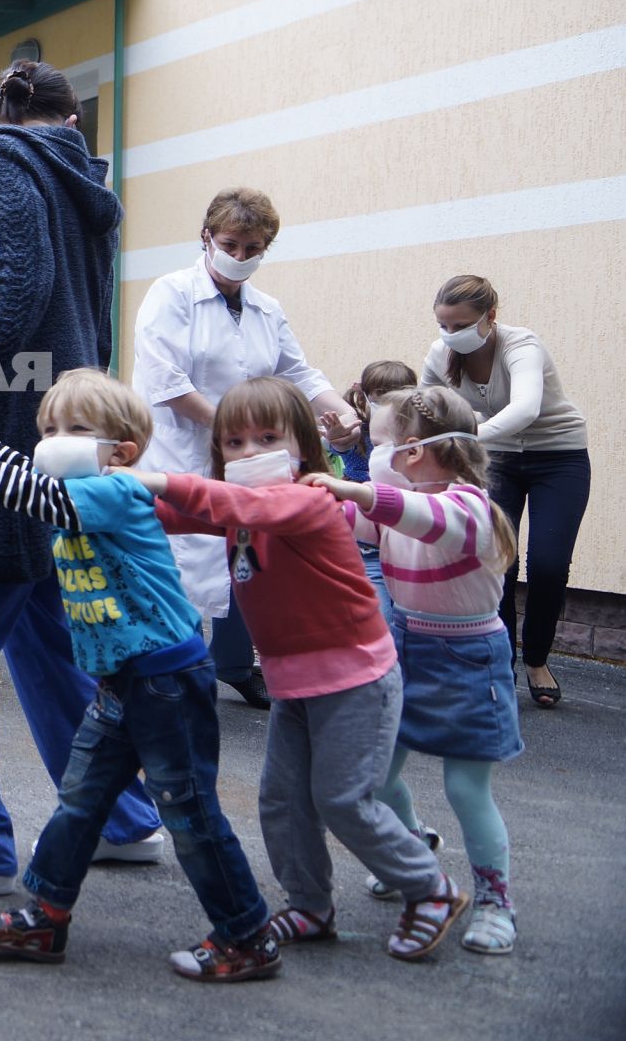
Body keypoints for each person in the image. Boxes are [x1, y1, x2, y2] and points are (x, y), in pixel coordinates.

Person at [0, 370, 276, 983]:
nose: (53, 440)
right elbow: (19, 470)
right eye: (48, 428)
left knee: (190, 811)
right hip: (123, 682)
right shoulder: (76, 481)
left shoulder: (113, 491)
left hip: (166, 681)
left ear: (121, 451)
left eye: (74, 429)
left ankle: (247, 933)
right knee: (81, 798)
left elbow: (25, 493)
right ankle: (46, 915)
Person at [121, 377, 468, 964]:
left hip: (356, 679)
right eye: (233, 443)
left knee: (343, 799)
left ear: (302, 446)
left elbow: (238, 502)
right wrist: (101, 494)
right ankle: (310, 905)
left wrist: (154, 478)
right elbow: (172, 513)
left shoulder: (309, 500)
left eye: (267, 438)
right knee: (282, 801)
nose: (250, 452)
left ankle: (429, 888)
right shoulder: (240, 510)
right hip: (294, 684)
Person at [0, 59, 162, 896]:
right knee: (52, 633)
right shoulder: (83, 180)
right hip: (67, 431)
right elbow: (85, 310)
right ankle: (122, 821)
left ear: (2, 114)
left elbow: (20, 275)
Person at [308, 385, 524, 955]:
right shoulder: (395, 503)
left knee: (466, 789)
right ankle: (412, 851)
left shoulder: (467, 506)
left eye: (377, 444)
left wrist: (351, 487)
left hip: (470, 659)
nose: (370, 455)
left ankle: (495, 901)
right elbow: (347, 518)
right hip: (406, 646)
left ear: (410, 451)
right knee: (375, 779)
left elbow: (414, 515)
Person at [132, 187, 362, 707]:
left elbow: (296, 371)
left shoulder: (265, 307)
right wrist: (236, 427)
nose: (239, 258)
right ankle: (169, 674)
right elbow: (164, 380)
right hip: (182, 451)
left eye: (252, 248)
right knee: (184, 563)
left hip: (244, 457)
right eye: (230, 244)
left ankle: (235, 665)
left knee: (246, 552)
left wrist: (343, 414)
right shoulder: (170, 294)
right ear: (206, 237)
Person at [423, 275, 589, 709]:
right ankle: (499, 664)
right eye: (443, 325)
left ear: (489, 317)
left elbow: (526, 407)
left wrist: (468, 433)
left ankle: (537, 659)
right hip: (496, 460)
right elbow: (424, 407)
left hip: (559, 457)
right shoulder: (441, 354)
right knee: (498, 562)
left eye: (459, 325)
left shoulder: (521, 345)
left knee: (549, 565)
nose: (449, 335)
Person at [338, 360, 419, 616]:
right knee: (379, 615)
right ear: (365, 395)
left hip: (404, 538)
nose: (389, 405)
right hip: (367, 542)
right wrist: (335, 437)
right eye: (381, 397)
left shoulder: (418, 434)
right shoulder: (356, 430)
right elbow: (339, 446)